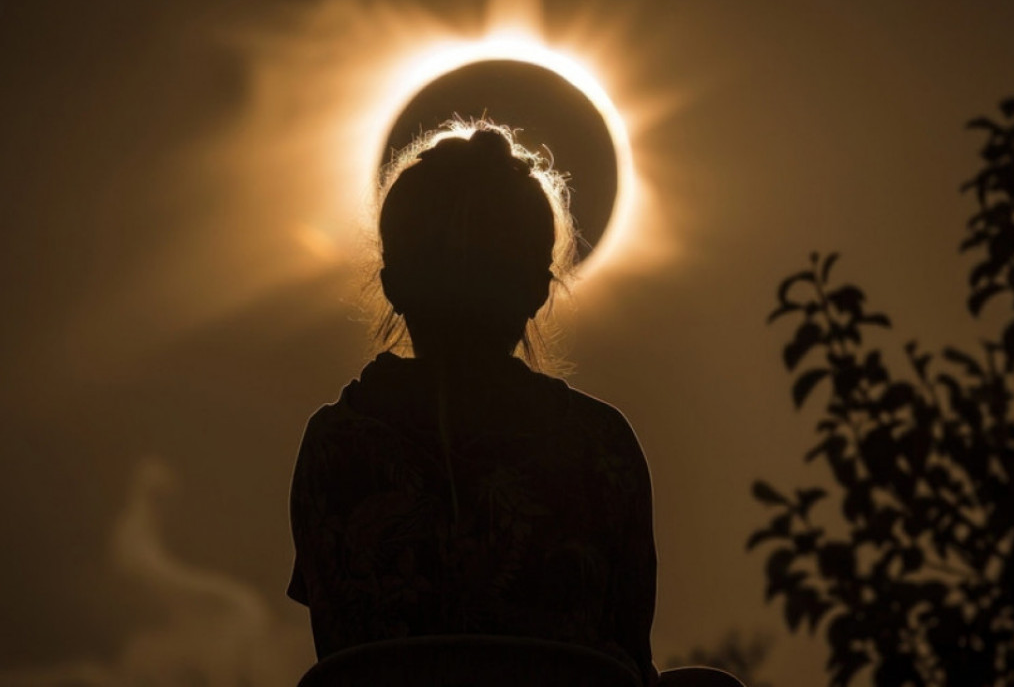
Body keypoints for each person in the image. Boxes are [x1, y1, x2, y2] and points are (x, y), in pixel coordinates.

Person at [287, 124, 739, 687]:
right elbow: (627, 655)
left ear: (393, 283)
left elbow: (341, 653)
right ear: (538, 289)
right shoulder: (600, 445)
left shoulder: (334, 445)